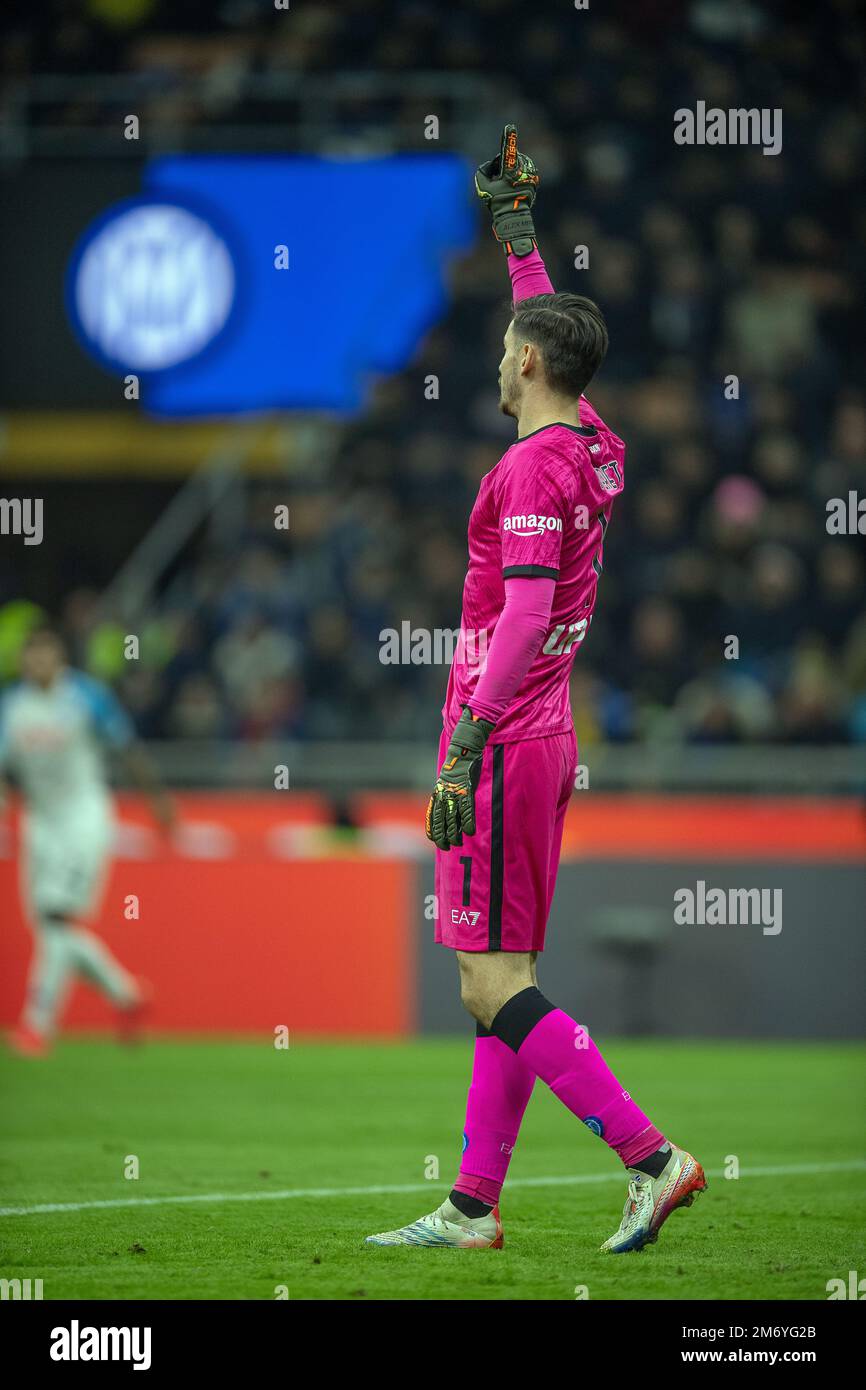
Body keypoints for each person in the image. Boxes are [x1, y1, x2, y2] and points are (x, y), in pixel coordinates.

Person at [366, 127, 706, 1254]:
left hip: (503, 739)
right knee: (497, 974)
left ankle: (650, 1157)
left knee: (486, 977)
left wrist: (462, 741)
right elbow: (562, 328)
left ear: (520, 364)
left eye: (509, 344)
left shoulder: (525, 468)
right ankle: (472, 1205)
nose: (502, 355)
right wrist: (519, 238)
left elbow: (515, 615)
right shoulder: (594, 444)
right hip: (544, 736)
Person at [0, 625, 174, 1056]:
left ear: (60, 658)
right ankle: (127, 994)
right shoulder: (12, 707)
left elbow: (127, 748)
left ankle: (37, 1028)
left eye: (46, 654)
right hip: (40, 825)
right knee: (50, 928)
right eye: (31, 655)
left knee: (57, 921)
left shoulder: (86, 697)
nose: (37, 663)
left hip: (84, 818)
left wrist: (158, 801)